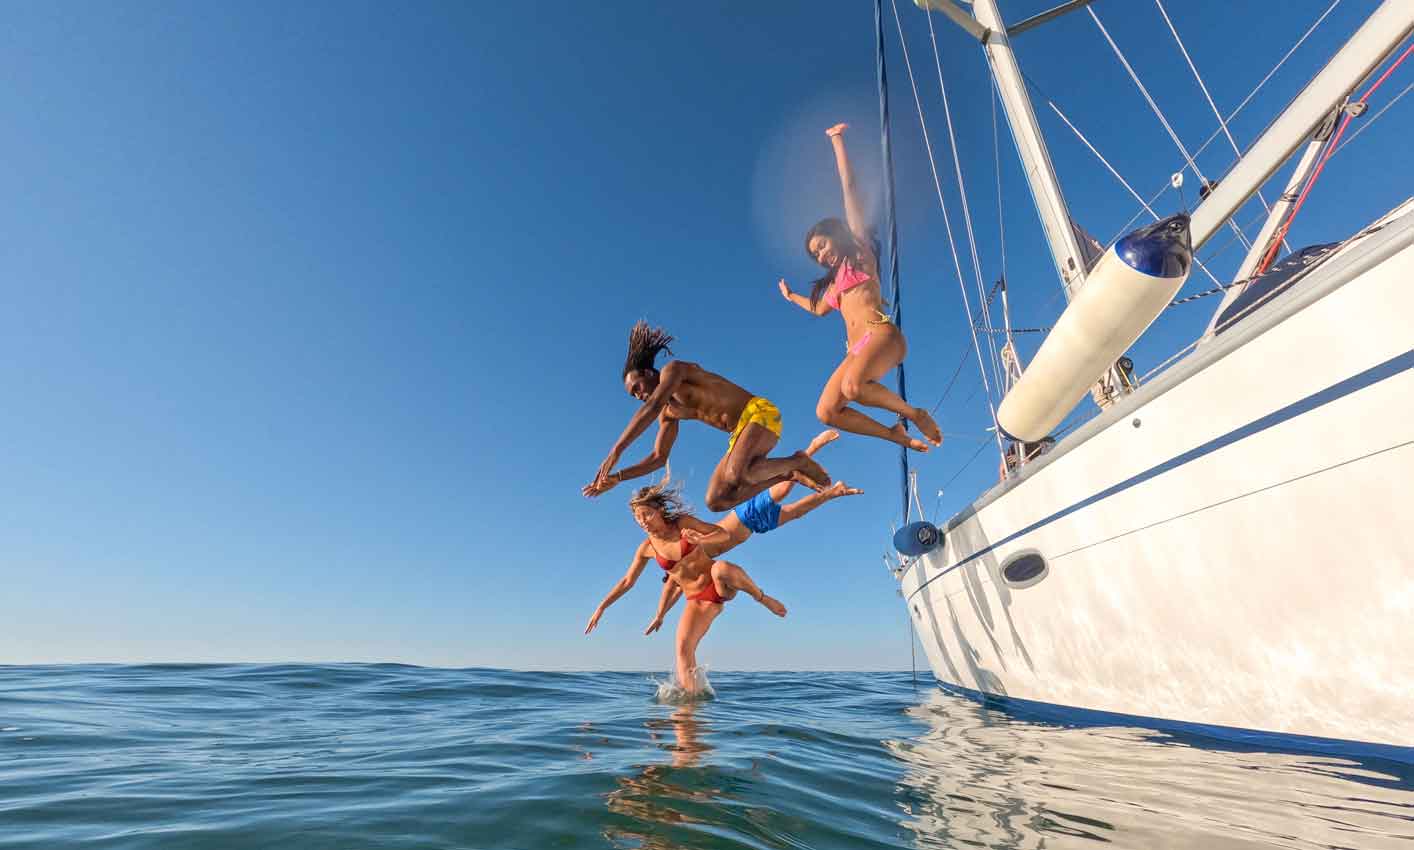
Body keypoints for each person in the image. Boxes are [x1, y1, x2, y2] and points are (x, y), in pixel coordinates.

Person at [777, 122, 943, 452]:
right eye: (816, 253)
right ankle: (893, 434)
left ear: (837, 235)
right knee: (825, 411)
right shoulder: (835, 284)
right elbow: (819, 308)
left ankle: (914, 414)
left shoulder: (859, 252)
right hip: (856, 350)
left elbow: (849, 187)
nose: (821, 254)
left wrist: (837, 140)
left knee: (853, 387)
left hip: (882, 335)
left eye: (822, 245)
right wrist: (790, 295)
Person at [583, 321, 830, 512]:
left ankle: (797, 460)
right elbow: (659, 458)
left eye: (636, 387)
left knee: (739, 474)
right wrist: (617, 477)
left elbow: (653, 404)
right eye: (633, 396)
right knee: (716, 500)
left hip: (759, 413)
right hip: (741, 434)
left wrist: (616, 451)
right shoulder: (668, 413)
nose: (638, 395)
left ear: (648, 372)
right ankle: (787, 473)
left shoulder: (674, 370)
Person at [584, 481, 786, 695]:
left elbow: (723, 534)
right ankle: (691, 704)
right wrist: (602, 608)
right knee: (682, 649)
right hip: (698, 599)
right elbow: (627, 581)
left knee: (721, 568)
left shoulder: (682, 524)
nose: (643, 521)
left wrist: (701, 538)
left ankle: (762, 598)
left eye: (647, 514)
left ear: (660, 510)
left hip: (719, 585)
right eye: (638, 517)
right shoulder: (646, 548)